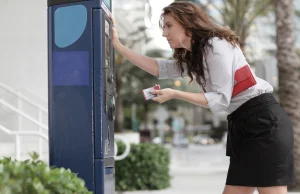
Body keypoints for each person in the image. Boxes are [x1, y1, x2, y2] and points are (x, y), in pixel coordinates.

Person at [110, 1, 295, 194]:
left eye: (169, 25)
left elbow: (221, 99)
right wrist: (118, 46)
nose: (164, 33)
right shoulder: (196, 56)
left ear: (187, 22)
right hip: (242, 123)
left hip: (263, 122)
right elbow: (159, 68)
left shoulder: (215, 46)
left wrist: (175, 93)